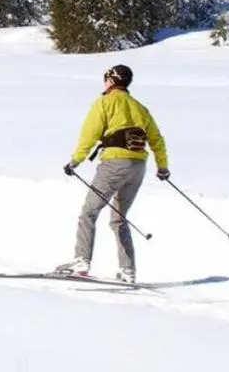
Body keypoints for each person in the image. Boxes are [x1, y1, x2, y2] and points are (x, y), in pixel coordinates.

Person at [57, 65, 169, 283]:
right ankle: (128, 270)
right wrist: (162, 167)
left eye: (106, 78)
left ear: (111, 80)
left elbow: (89, 135)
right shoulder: (140, 108)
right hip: (138, 166)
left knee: (89, 212)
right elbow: (157, 139)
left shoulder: (104, 102)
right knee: (119, 218)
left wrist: (75, 161)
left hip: (114, 164)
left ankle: (81, 260)